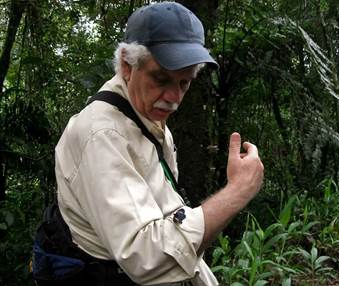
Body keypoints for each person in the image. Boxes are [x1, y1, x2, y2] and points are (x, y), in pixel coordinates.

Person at [55, 2, 264, 285]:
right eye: (161, 78)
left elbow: (167, 210)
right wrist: (237, 190)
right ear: (127, 67)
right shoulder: (102, 134)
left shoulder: (146, 117)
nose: (174, 97)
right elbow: (147, 257)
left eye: (184, 83)